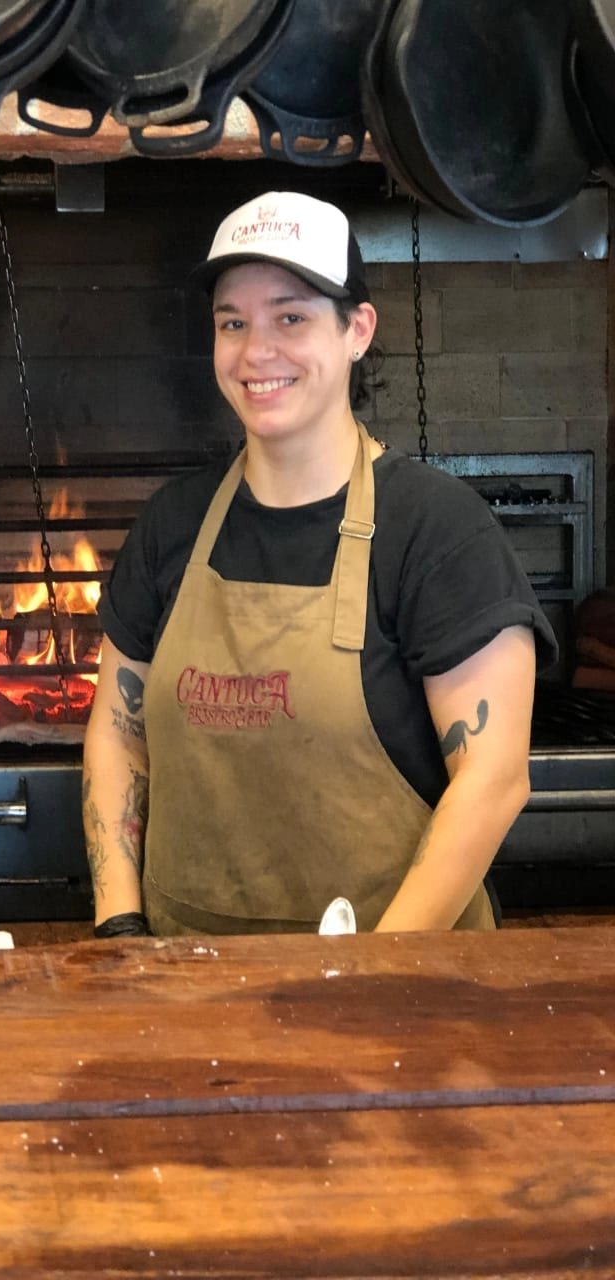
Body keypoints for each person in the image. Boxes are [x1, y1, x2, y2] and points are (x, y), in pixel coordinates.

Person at [82, 190, 557, 938]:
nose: (254, 350)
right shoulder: (174, 524)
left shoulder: (436, 530)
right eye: (231, 322)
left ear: (357, 330)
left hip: (398, 989)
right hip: (183, 982)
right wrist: (119, 926)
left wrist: (377, 973)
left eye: (290, 317)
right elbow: (117, 730)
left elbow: (493, 780)